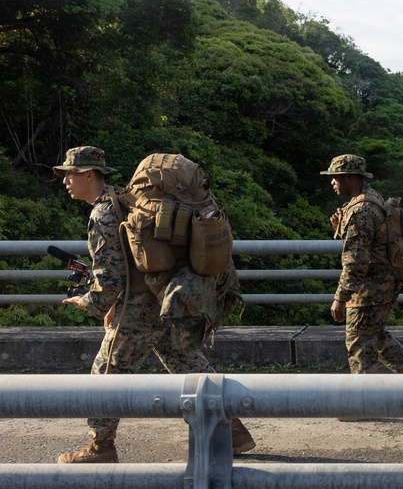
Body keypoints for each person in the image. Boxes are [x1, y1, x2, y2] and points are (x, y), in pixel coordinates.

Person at [56, 146, 256, 463]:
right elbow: (133, 260)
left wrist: (89, 301)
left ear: (89, 175)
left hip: (139, 308)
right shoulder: (124, 200)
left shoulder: (103, 212)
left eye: (69, 173)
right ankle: (231, 432)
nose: (65, 180)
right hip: (164, 296)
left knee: (106, 371)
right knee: (186, 362)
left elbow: (108, 277)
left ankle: (101, 447)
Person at [326, 154, 403, 375]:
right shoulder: (371, 197)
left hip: (369, 291)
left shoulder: (359, 212)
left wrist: (340, 298)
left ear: (350, 177)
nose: (332, 182)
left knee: (359, 343)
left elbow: (356, 262)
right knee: (374, 334)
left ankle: (364, 402)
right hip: (384, 284)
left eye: (335, 177)